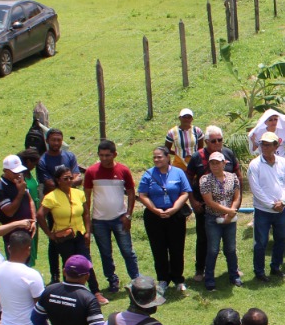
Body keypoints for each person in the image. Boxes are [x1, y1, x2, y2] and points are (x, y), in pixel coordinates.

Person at [84, 140, 139, 293]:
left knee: (127, 251)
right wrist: (88, 223)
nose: (104, 158)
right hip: (99, 220)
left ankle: (136, 279)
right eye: (101, 155)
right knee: (105, 253)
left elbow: (131, 193)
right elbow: (87, 199)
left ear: (114, 154)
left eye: (107, 155)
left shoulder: (123, 170)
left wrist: (128, 215)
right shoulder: (91, 172)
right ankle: (112, 279)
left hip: (120, 218)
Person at [137, 146, 193, 294]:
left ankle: (178, 279)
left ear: (168, 157)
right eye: (154, 157)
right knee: (158, 249)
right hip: (154, 216)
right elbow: (142, 195)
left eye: (159, 157)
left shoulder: (178, 172)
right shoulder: (148, 174)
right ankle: (162, 279)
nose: (156, 160)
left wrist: (174, 208)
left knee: (176, 248)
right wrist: (155, 210)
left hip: (175, 216)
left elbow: (185, 192)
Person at [40, 169, 102, 300]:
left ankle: (96, 291)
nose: (69, 181)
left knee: (86, 261)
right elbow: (40, 215)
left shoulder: (78, 193)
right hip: (64, 236)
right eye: (65, 178)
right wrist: (49, 234)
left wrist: (87, 231)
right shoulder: (51, 197)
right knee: (68, 264)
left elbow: (86, 213)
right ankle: (69, 293)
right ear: (58, 180)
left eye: (70, 178)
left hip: (79, 232)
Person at [247, 130, 285, 282]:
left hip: (280, 209)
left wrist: (283, 201)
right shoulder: (254, 165)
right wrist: (272, 204)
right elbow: (256, 189)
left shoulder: (283, 162)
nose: (264, 147)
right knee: (261, 242)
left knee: (280, 239)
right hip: (263, 210)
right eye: (262, 144)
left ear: (276, 145)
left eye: (267, 145)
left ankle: (275, 267)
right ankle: (259, 271)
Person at [185, 126, 227, 284]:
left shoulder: (227, 154)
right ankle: (200, 269)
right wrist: (192, 201)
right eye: (214, 141)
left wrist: (236, 203)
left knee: (228, 238)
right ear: (207, 141)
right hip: (203, 206)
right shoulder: (197, 157)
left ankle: (233, 268)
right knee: (203, 238)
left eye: (220, 140)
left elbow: (236, 176)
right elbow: (187, 180)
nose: (217, 143)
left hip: (225, 206)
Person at [199, 151, 243, 290]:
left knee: (230, 249)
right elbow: (209, 202)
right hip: (213, 219)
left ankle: (234, 275)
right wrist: (228, 211)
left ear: (224, 163)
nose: (215, 165)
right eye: (212, 163)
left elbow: (237, 196)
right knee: (213, 249)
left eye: (218, 162)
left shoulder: (233, 177)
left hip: (230, 218)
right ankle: (209, 279)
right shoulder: (205, 180)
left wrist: (231, 212)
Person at [0, 155, 39, 267]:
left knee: (28, 262)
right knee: (17, 264)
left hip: (27, 231)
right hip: (13, 236)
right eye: (14, 172)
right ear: (5, 171)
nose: (18, 174)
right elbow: (9, 212)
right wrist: (20, 192)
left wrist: (33, 220)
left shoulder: (19, 180)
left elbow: (30, 200)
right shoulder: (0, 188)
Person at [37, 128, 80, 196]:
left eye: (59, 140)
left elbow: (78, 178)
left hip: (71, 196)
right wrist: (71, 182)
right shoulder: (42, 161)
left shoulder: (70, 156)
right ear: (47, 141)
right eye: (53, 140)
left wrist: (62, 183)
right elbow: (50, 185)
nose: (56, 143)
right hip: (53, 198)